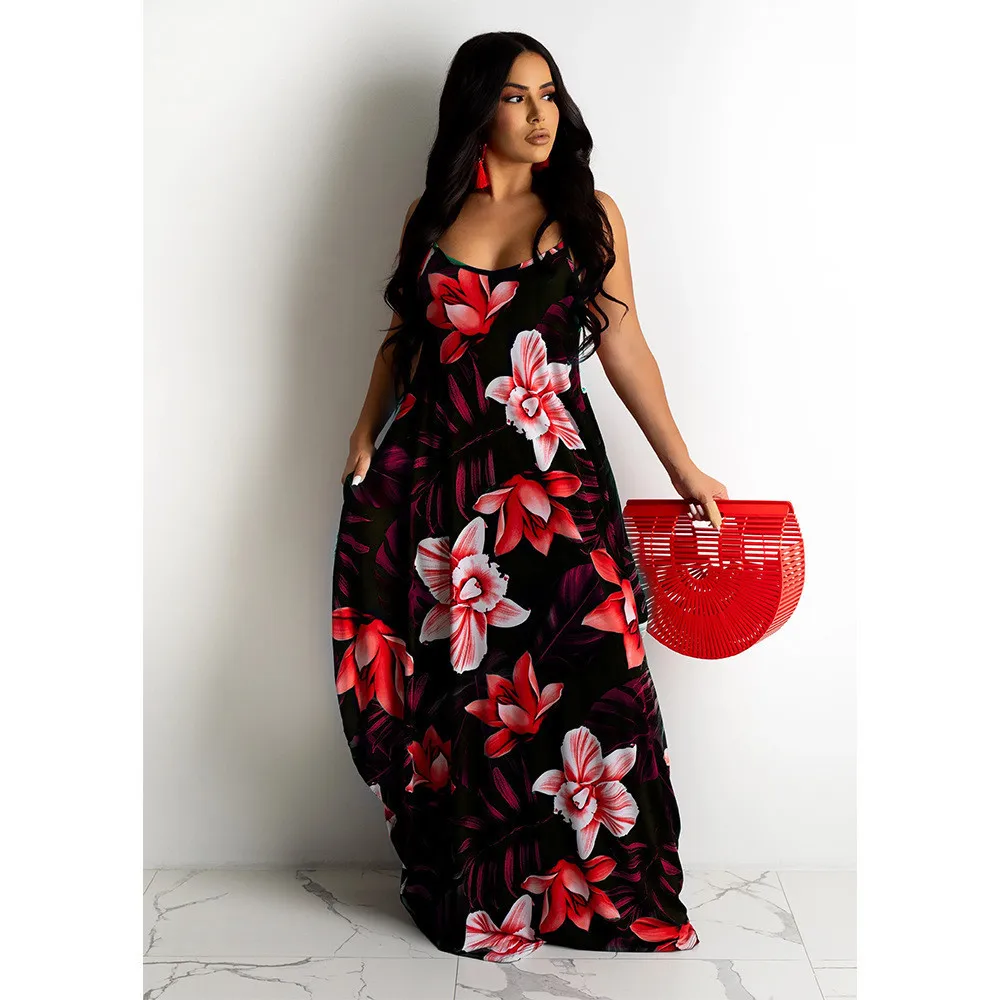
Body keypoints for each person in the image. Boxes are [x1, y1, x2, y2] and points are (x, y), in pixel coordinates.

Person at [330, 31, 728, 963]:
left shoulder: (588, 214)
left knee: (599, 677)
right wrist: (363, 429)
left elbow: (625, 348)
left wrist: (683, 468)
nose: (540, 114)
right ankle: (492, 899)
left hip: (555, 492)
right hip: (443, 497)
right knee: (473, 698)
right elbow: (403, 340)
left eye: (549, 93)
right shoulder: (430, 216)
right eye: (516, 97)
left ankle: (607, 897)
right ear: (478, 109)